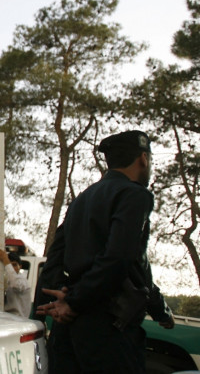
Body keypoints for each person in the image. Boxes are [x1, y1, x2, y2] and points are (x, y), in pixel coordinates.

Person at [36, 130, 175, 374]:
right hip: (108, 329)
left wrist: (65, 298)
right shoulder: (134, 195)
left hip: (68, 331)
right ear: (143, 158)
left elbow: (54, 258)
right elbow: (124, 259)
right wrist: (74, 303)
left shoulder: (82, 199)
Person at [0, 249, 31, 318]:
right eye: (9, 265)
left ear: (20, 266)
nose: (11, 268)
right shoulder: (6, 280)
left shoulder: (22, 280)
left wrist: (5, 259)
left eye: (14, 265)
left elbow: (16, 284)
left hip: (18, 321)